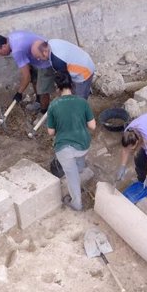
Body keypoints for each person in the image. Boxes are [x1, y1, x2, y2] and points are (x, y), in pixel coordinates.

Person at [47, 71, 96, 211]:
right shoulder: (82, 101)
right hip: (83, 145)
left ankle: (76, 203)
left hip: (64, 148)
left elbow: (50, 132)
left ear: (58, 87)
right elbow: (92, 126)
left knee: (71, 175)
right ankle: (80, 168)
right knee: (79, 159)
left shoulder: (54, 105)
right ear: (72, 85)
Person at [0, 31, 55, 113]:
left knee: (43, 90)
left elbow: (26, 77)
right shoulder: (11, 38)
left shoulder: (17, 50)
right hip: (35, 58)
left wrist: (19, 93)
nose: (0, 55)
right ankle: (38, 103)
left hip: (45, 60)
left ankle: (44, 112)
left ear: (3, 46)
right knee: (34, 79)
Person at [31, 39, 95, 99]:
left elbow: (65, 82)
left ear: (44, 52)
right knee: (73, 92)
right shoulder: (51, 42)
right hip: (83, 59)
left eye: (38, 56)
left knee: (79, 99)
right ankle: (86, 89)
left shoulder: (57, 61)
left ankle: (83, 97)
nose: (38, 59)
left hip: (84, 72)